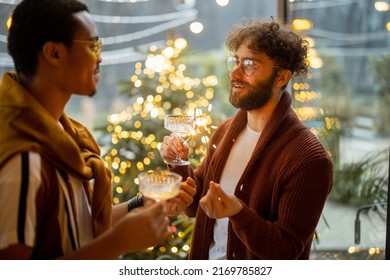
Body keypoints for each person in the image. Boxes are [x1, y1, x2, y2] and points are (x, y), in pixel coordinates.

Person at [0, 0, 196, 260]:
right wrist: (114, 244)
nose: (100, 57)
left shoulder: (61, 132)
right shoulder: (23, 156)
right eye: (93, 46)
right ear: (54, 53)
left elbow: (76, 228)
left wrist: (143, 204)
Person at [159, 18, 333, 260]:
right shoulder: (225, 131)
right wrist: (178, 163)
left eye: (249, 64)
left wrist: (239, 213)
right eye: (236, 61)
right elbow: (194, 205)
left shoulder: (309, 159)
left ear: (281, 77)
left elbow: (287, 251)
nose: (234, 73)